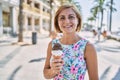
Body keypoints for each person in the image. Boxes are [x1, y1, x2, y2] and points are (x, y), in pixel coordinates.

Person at [43, 4, 98, 80]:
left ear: (78, 20)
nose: (67, 21)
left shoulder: (88, 47)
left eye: (71, 17)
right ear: (57, 22)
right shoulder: (52, 44)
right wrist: (53, 71)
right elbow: (46, 74)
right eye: (62, 18)